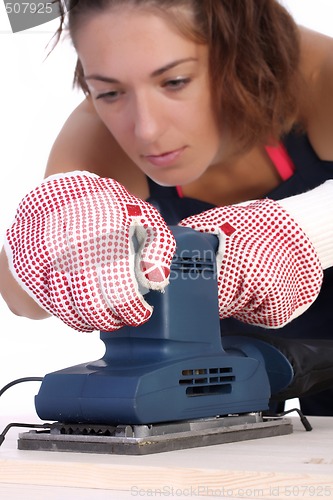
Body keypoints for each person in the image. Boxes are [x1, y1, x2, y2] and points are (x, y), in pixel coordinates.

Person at [1, 0, 333, 414]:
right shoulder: (97, 133)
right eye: (109, 91)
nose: (146, 129)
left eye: (174, 81)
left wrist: (304, 227)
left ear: (239, 49)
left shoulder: (321, 76)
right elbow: (19, 299)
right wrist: (57, 246)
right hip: (227, 385)